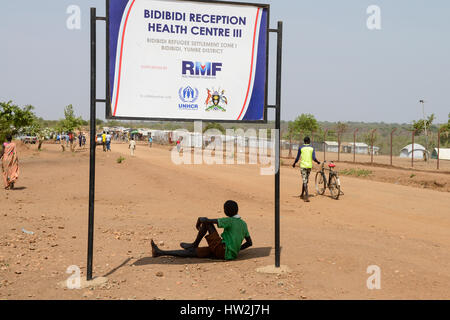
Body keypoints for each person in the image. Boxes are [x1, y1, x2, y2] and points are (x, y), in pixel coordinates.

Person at [151, 200, 252, 260]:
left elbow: (206, 220)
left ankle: (194, 244)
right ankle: (159, 252)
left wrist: (200, 220)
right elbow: (249, 243)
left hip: (222, 250)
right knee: (194, 253)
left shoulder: (229, 220)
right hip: (228, 254)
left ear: (226, 211)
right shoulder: (243, 224)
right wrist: (235, 250)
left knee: (207, 224)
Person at [292, 136, 320, 202]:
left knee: (305, 181)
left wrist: (294, 163)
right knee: (305, 180)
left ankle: (306, 196)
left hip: (303, 166)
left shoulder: (301, 148)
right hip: (309, 166)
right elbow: (313, 158)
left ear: (304, 141)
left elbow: (297, 158)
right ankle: (302, 194)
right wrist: (317, 161)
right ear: (309, 141)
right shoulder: (312, 148)